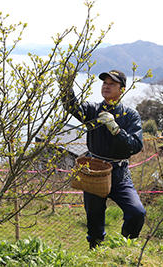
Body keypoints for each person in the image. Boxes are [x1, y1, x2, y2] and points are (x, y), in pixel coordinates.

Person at [62, 70, 146, 249]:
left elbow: (136, 145)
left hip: (120, 173)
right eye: (104, 83)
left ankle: (125, 247)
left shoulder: (129, 116)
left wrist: (116, 129)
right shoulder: (92, 110)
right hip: (94, 171)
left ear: (122, 89)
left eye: (112, 84)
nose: (106, 86)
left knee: (136, 212)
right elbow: (71, 106)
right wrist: (66, 86)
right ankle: (96, 253)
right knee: (94, 219)